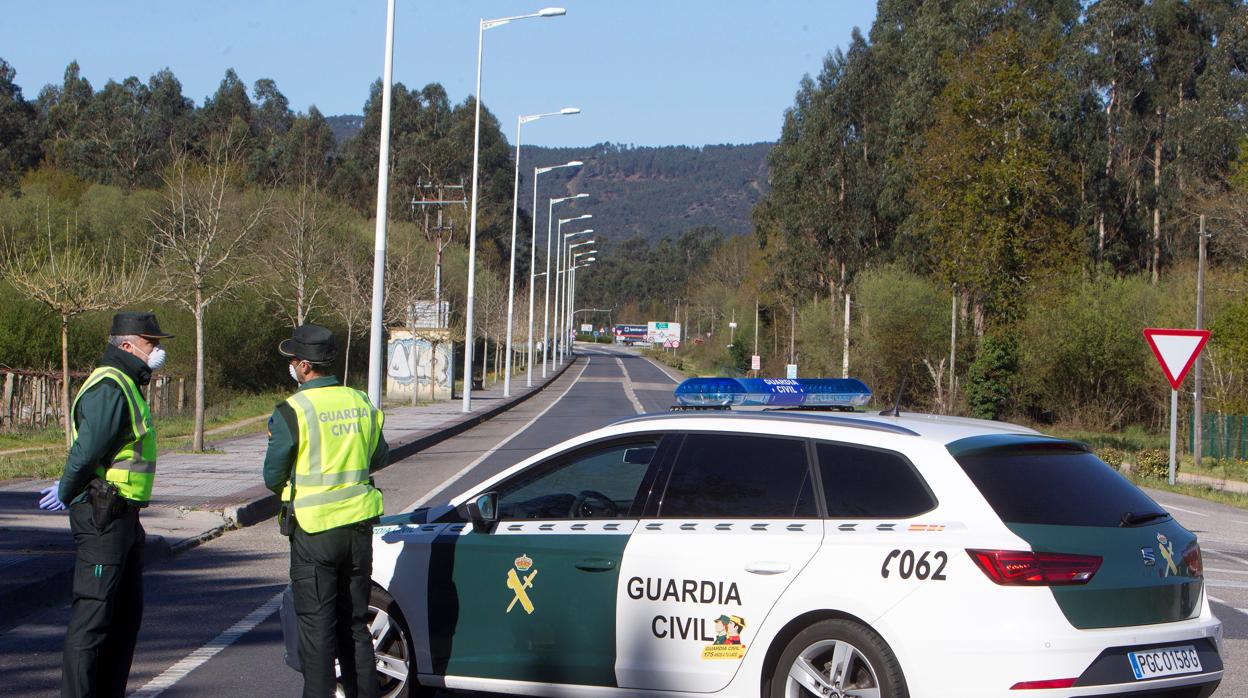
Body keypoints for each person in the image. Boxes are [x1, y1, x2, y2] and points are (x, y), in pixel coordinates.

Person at [39, 312, 172, 698]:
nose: (158, 351)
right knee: (94, 619)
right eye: (152, 343)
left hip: (122, 515)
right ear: (127, 345)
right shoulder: (111, 385)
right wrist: (65, 489)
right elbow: (88, 450)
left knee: (124, 617)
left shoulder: (127, 383)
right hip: (102, 516)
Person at [263, 324, 388, 698]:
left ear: (303, 366)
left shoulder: (292, 411)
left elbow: (273, 477)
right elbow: (380, 456)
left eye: (292, 362)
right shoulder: (361, 401)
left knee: (317, 633)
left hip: (315, 535)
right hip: (359, 531)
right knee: (353, 626)